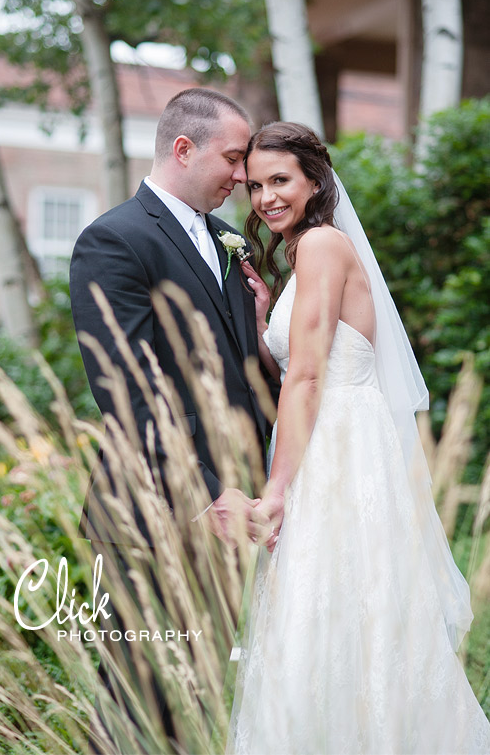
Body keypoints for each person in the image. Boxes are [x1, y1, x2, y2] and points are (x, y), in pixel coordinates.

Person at [226, 121, 490, 754]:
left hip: (336, 445)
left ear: (315, 179)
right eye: (257, 185)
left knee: (332, 607)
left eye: (281, 181)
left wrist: (277, 489)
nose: (266, 198)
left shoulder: (319, 244)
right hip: (334, 433)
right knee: (344, 609)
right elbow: (301, 364)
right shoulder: (307, 252)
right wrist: (266, 318)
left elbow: (311, 376)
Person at [69, 88, 273, 752]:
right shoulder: (113, 239)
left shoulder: (225, 240)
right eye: (233, 157)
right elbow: (127, 389)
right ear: (183, 149)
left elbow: (244, 381)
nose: (242, 176)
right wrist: (207, 490)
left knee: (203, 694)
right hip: (151, 515)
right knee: (139, 697)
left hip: (232, 509)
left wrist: (264, 325)